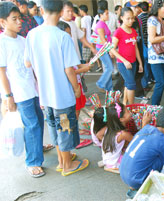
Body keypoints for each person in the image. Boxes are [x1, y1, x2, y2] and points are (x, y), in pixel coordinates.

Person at [24, 0, 89, 176]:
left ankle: (62, 160)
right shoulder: (62, 37)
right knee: (65, 128)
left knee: (54, 127)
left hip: (45, 95)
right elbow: (69, 69)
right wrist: (76, 88)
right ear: (61, 12)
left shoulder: (32, 34)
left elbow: (28, 63)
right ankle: (67, 165)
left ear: (42, 10)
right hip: (62, 96)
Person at [0, 2, 44, 178]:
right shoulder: (2, 42)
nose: (19, 22)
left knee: (38, 122)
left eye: (19, 18)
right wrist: (8, 96)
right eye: (14, 19)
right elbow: (1, 71)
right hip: (18, 93)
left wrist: (38, 85)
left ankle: (37, 148)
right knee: (31, 125)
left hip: (31, 89)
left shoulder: (23, 40)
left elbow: (32, 66)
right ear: (3, 22)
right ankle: (32, 161)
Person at [57, 21, 91, 119]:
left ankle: (75, 126)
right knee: (72, 110)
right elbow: (68, 72)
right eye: (68, 33)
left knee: (77, 108)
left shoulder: (69, 46)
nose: (71, 35)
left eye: (70, 33)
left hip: (77, 83)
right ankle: (73, 127)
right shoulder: (60, 50)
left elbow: (76, 64)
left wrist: (86, 65)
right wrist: (83, 69)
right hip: (71, 85)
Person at [112, 7, 143, 105]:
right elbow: (111, 49)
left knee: (128, 83)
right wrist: (124, 61)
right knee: (131, 85)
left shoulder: (133, 31)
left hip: (133, 62)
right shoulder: (118, 32)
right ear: (121, 18)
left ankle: (125, 104)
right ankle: (131, 107)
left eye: (132, 18)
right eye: (128, 18)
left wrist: (140, 63)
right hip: (123, 64)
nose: (131, 21)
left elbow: (136, 48)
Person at [94, 0, 114, 92]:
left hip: (105, 48)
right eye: (106, 14)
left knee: (108, 68)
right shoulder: (100, 24)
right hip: (103, 48)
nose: (108, 15)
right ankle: (100, 83)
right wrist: (110, 50)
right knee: (109, 67)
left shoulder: (103, 23)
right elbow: (103, 39)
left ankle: (109, 88)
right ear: (101, 15)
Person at [137, 2, 153, 91]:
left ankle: (146, 81)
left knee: (145, 63)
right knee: (150, 62)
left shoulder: (139, 18)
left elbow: (141, 33)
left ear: (140, 8)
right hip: (152, 43)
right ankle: (151, 78)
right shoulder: (151, 17)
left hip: (144, 44)